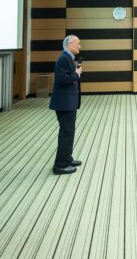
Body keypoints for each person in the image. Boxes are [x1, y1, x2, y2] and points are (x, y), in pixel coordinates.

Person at [50, 35, 83, 175]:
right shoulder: (63, 59)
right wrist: (77, 74)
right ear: (70, 44)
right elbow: (63, 79)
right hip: (64, 104)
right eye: (78, 43)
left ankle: (67, 158)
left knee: (69, 132)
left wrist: (75, 73)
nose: (80, 46)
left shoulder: (68, 58)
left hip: (68, 103)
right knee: (66, 133)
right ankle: (60, 165)